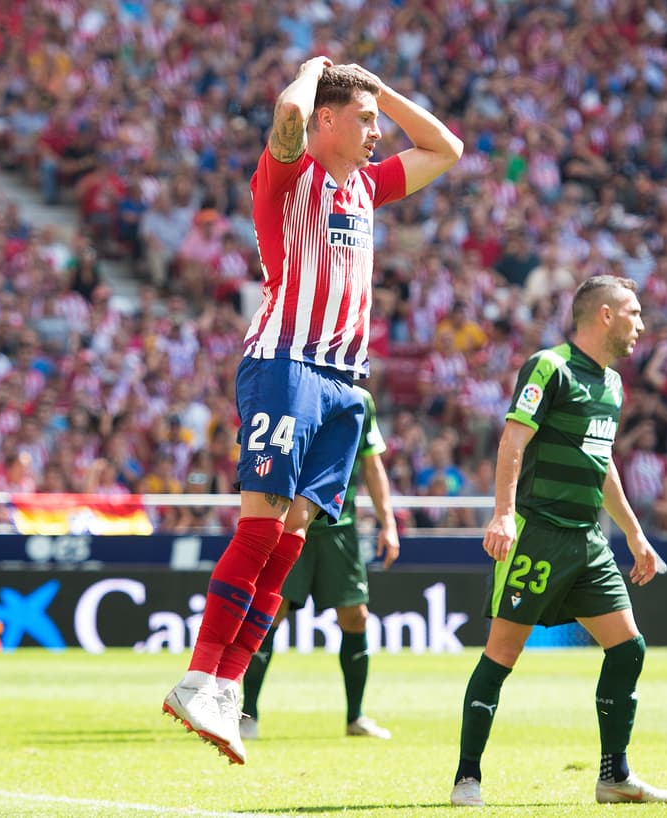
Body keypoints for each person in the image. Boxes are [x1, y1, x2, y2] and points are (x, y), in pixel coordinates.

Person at [162, 57, 462, 766]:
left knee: (294, 532)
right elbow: (289, 119)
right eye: (362, 120)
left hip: (345, 383)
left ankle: (227, 688)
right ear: (326, 121)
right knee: (262, 522)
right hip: (286, 365)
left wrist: (381, 90)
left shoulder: (365, 187)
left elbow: (446, 149)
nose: (375, 132)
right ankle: (200, 675)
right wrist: (313, 69)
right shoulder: (290, 176)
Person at [449, 276, 667, 807]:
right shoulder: (548, 367)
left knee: (628, 648)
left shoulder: (614, 385)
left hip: (588, 542)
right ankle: (467, 777)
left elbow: (602, 466)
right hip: (538, 535)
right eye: (635, 313)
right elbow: (513, 439)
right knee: (502, 655)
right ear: (604, 315)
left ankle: (613, 775)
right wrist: (503, 515)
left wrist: (635, 534)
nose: (641, 324)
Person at [239, 386, 399, 741]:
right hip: (292, 524)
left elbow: (372, 464)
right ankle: (247, 714)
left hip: (339, 528)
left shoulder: (361, 399)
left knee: (355, 617)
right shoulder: (294, 387)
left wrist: (388, 522)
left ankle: (355, 717)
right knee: (271, 613)